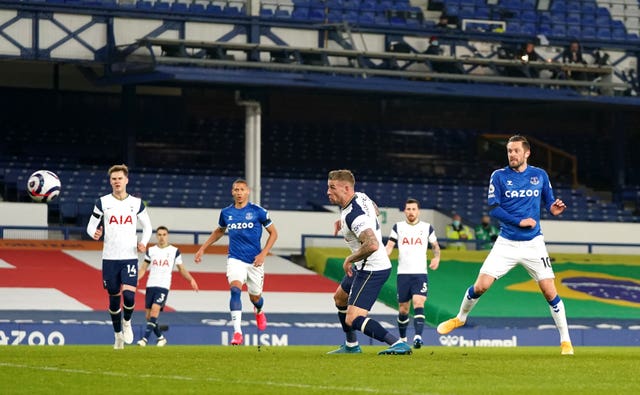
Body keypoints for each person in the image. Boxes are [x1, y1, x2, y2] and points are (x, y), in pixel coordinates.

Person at [437, 135, 574, 355]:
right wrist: (519, 221)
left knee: (549, 291)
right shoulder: (499, 176)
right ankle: (459, 318)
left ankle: (565, 341)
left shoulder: (539, 175)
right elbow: (494, 209)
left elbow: (549, 201)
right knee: (481, 286)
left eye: (516, 151)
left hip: (533, 244)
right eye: (509, 151)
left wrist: (553, 209)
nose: (512, 154)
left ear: (526, 153)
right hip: (506, 242)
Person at [326, 169, 412, 355]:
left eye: (332, 188)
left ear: (346, 188)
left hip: (371, 269)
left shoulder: (354, 216)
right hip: (363, 266)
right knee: (339, 298)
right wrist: (342, 222)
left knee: (354, 318)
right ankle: (351, 346)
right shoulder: (360, 197)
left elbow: (372, 244)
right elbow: (375, 210)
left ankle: (397, 343)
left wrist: (349, 258)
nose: (328, 192)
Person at [194, 179, 277, 346]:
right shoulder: (226, 213)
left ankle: (259, 310)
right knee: (235, 290)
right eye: (236, 190)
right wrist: (203, 248)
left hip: (255, 261)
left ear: (248, 192)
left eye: (242, 190)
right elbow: (219, 231)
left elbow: (273, 233)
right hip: (235, 259)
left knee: (256, 298)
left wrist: (263, 254)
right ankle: (237, 333)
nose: (239, 193)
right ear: (232, 192)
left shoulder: (258, 211)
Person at [86, 164, 152, 350]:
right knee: (114, 300)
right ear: (110, 181)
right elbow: (91, 226)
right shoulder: (103, 202)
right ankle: (117, 336)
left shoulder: (136, 203)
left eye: (120, 178)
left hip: (129, 257)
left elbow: (147, 226)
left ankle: (127, 322)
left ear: (126, 180)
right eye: (113, 179)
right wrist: (94, 234)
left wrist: (143, 243)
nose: (117, 181)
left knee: (129, 296)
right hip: (109, 258)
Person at [385, 198, 441, 349]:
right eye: (408, 209)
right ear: (405, 211)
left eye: (413, 209)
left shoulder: (427, 227)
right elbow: (390, 245)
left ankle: (417, 337)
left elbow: (435, 245)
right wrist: (385, 255)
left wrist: (437, 257)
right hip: (403, 274)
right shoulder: (398, 227)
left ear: (418, 211)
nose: (411, 212)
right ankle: (402, 339)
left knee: (418, 302)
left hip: (420, 273)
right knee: (403, 308)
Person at [137, 226, 199, 347]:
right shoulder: (151, 250)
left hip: (163, 286)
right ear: (156, 236)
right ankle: (161, 338)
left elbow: (181, 268)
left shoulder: (174, 251)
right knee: (148, 316)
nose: (162, 237)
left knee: (155, 310)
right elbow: (143, 268)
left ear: (167, 236)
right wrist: (136, 279)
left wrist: (191, 279)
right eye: (159, 235)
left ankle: (144, 339)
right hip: (150, 285)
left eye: (164, 234)